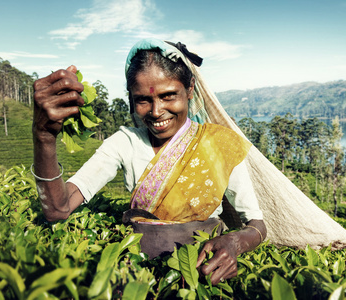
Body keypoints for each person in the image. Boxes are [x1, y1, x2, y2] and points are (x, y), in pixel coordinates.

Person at [32, 38, 266, 285]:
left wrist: (234, 243)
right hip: (139, 277)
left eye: (168, 96)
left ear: (190, 89)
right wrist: (44, 137)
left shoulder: (220, 144)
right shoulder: (125, 143)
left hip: (203, 278)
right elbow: (58, 209)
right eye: (144, 99)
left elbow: (257, 225)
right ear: (132, 98)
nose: (156, 111)